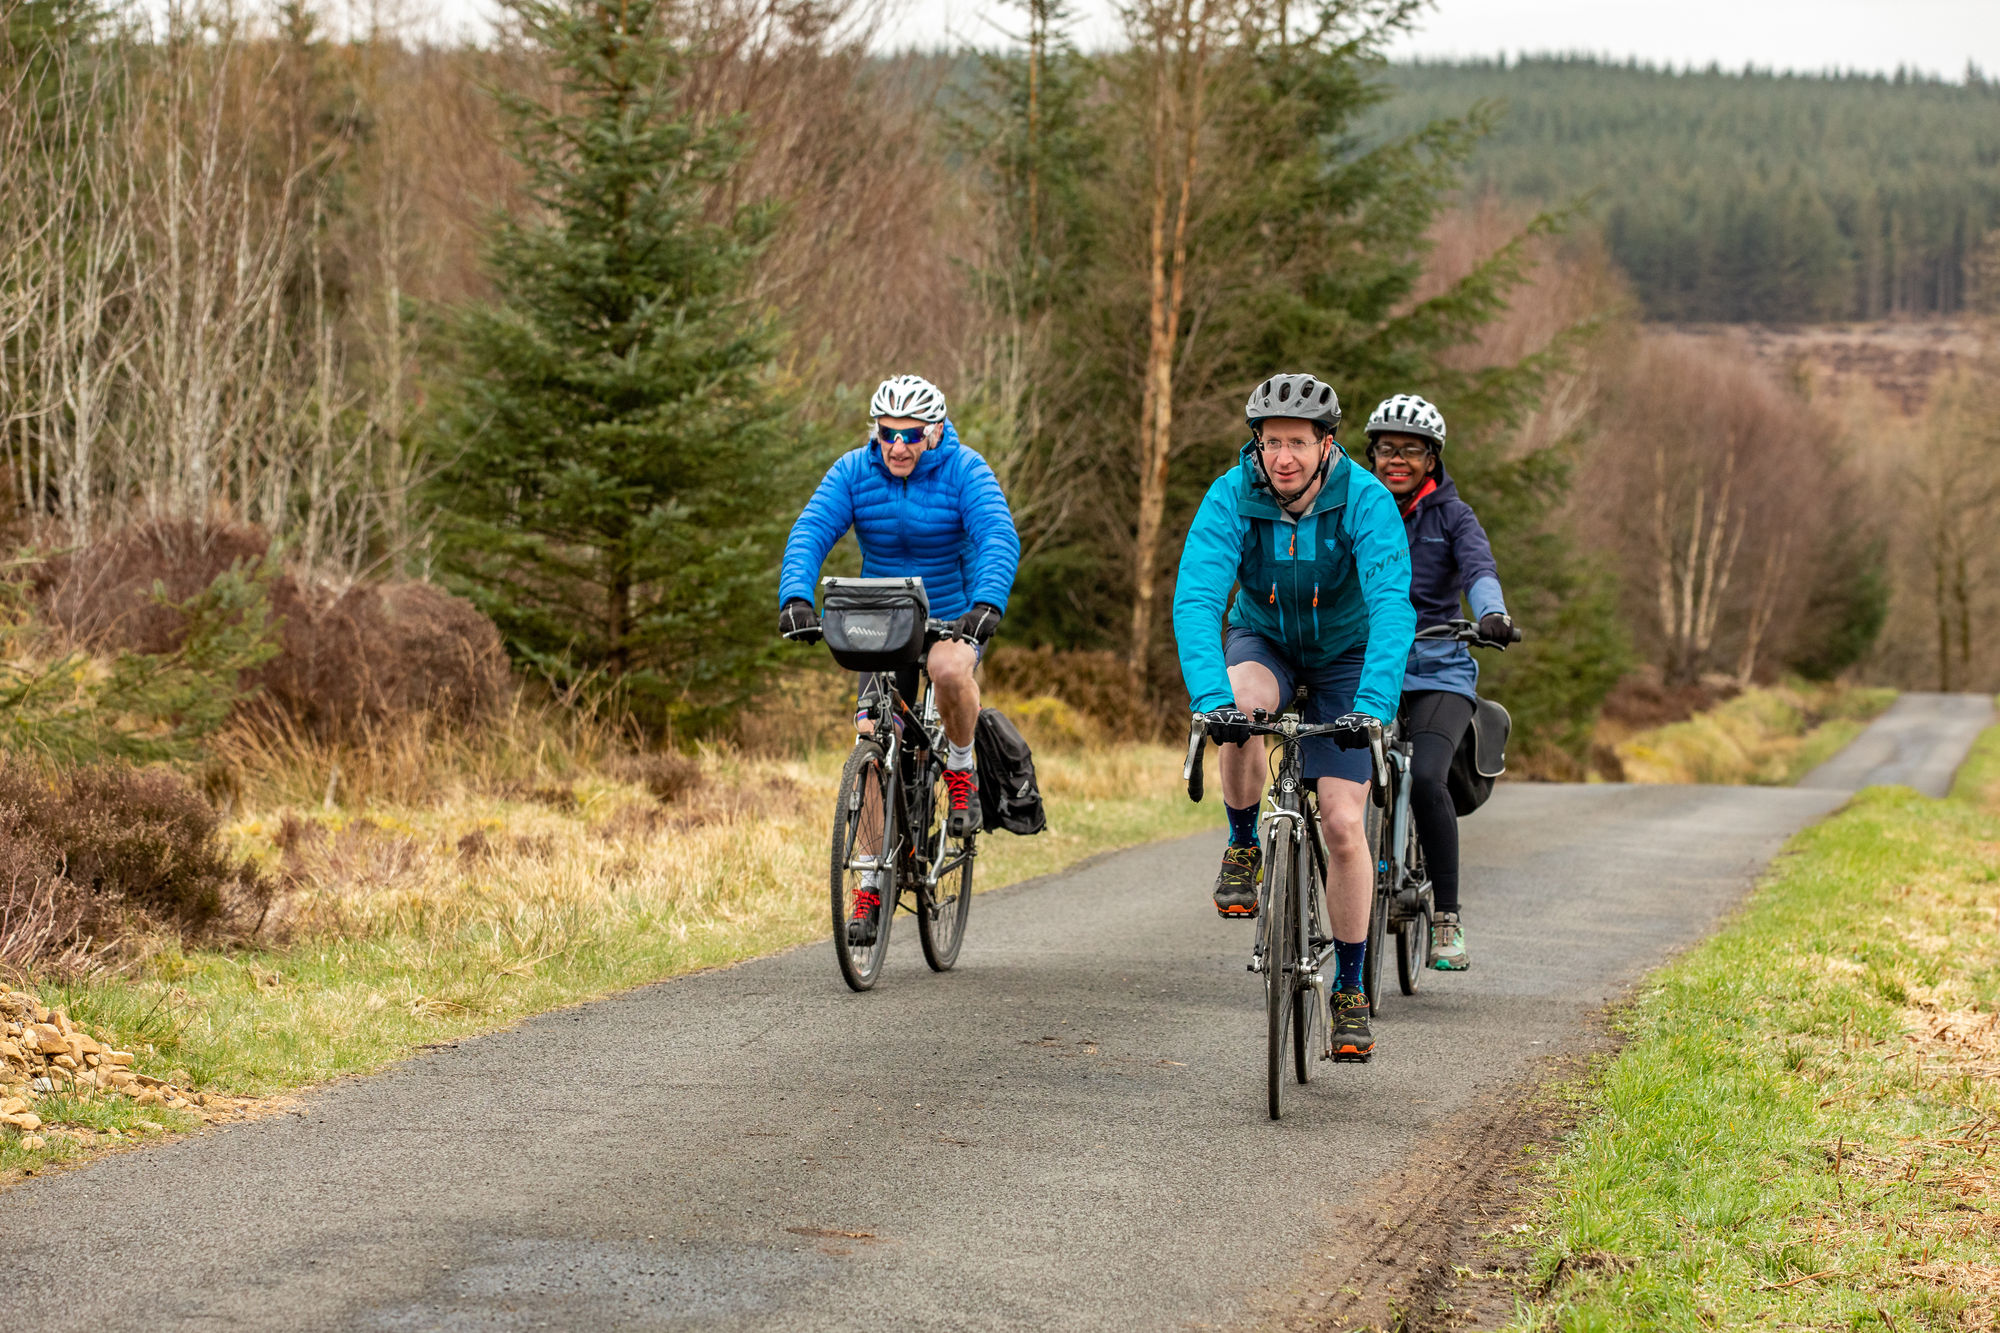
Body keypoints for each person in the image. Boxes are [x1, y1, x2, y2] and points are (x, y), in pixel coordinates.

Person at [1174, 374, 1415, 1060]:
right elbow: (1196, 597)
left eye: (1298, 443)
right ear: (1258, 443)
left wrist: (1372, 707)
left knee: (1342, 823)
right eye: (1272, 441)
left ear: (1325, 444)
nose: (1283, 456)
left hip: (1346, 656)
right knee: (1238, 708)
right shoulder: (1232, 495)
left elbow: (1393, 604)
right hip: (1266, 640)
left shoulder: (1365, 499)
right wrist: (1206, 698)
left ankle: (1348, 985)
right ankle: (1244, 840)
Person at [777, 374, 1021, 944]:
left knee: (949, 670)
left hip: (950, 617)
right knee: (871, 736)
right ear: (876, 432)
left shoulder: (965, 470)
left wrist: (986, 605)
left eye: (912, 434)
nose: (899, 447)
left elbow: (996, 536)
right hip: (879, 620)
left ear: (934, 432)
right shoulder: (853, 472)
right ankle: (867, 886)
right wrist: (794, 595)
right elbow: (811, 529)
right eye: (888, 434)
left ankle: (959, 770)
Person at [1362, 394, 1513, 972]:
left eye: (1412, 451)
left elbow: (1478, 569)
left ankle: (1446, 916)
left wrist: (1491, 612)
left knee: (1426, 775)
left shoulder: (1453, 515)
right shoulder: (1355, 507)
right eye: (1388, 449)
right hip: (1370, 664)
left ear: (1432, 459)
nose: (1398, 460)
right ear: (1372, 454)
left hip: (1440, 666)